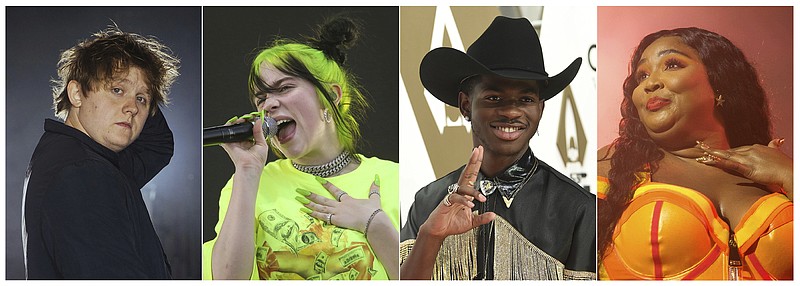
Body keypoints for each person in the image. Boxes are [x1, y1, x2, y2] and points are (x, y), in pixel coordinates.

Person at [399, 16, 596, 280]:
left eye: (526, 99)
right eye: (494, 98)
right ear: (466, 105)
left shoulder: (578, 209)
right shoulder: (427, 202)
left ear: (540, 108)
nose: (512, 111)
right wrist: (430, 237)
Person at [202, 17, 400, 280]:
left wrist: (376, 224)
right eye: (261, 98)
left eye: (283, 88)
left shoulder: (395, 179)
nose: (268, 104)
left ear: (331, 96)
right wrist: (248, 172)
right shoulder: (246, 184)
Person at [597, 27, 793, 280]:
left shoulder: (773, 176)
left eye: (672, 65)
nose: (650, 83)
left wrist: (791, 175)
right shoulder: (615, 167)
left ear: (718, 82)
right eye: (642, 75)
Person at [22, 26, 180, 279]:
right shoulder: (82, 172)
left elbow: (157, 145)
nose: (132, 108)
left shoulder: (78, 156)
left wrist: (140, 81)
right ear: (76, 93)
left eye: (142, 99)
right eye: (117, 90)